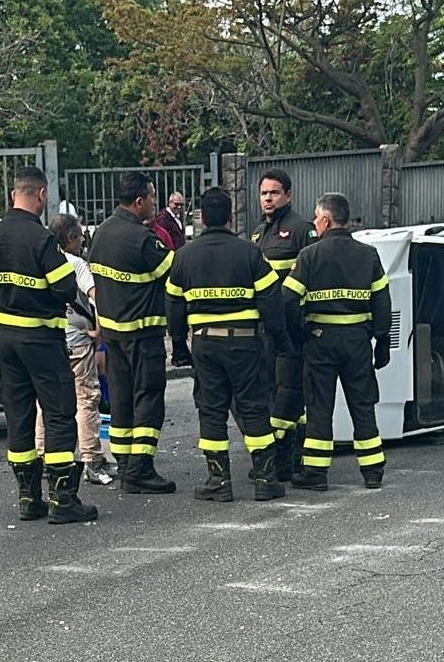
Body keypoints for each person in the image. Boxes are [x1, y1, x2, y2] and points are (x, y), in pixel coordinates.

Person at [0, 166, 98, 524]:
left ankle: (29, 498)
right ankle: (63, 500)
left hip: (6, 339)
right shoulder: (42, 241)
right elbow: (63, 288)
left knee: (18, 415)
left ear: (14, 193)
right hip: (42, 338)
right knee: (59, 413)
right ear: (41, 195)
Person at [166, 187, 290, 502]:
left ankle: (219, 481)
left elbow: (174, 306)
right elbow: (271, 300)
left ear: (203, 219)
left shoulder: (184, 257)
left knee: (211, 410)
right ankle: (265, 478)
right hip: (246, 344)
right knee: (254, 407)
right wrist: (280, 338)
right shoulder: (250, 253)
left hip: (206, 345)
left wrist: (179, 346)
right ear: (230, 216)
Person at [282, 192, 392, 491]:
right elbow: (383, 302)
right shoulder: (368, 255)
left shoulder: (309, 255)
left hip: (320, 342)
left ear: (326, 220)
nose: (314, 223)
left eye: (316, 217)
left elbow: (289, 300)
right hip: (357, 342)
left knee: (319, 406)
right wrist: (382, 343)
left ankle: (315, 474)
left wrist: (298, 334)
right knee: (363, 405)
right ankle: (372, 471)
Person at [88, 171, 177, 494]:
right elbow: (175, 271)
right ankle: (141, 468)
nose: (154, 203)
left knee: (122, 402)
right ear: (139, 201)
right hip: (143, 335)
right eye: (152, 197)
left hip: (113, 337)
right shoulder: (141, 240)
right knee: (148, 400)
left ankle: (125, 465)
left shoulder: (101, 233)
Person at [33, 214, 119, 486]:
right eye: (80, 235)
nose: (83, 240)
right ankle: (92, 460)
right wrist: (99, 330)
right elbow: (96, 296)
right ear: (70, 238)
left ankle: (43, 458)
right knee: (86, 399)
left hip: (50, 343)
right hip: (79, 344)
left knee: (45, 403)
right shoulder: (76, 264)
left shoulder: (40, 261)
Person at [250, 169, 317, 481]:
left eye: (274, 193)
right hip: (266, 328)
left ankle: (291, 458)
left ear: (288, 195)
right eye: (264, 193)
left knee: (290, 394)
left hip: (292, 327)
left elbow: (312, 277)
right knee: (274, 391)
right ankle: (285, 458)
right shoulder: (258, 234)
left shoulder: (302, 229)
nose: (267, 198)